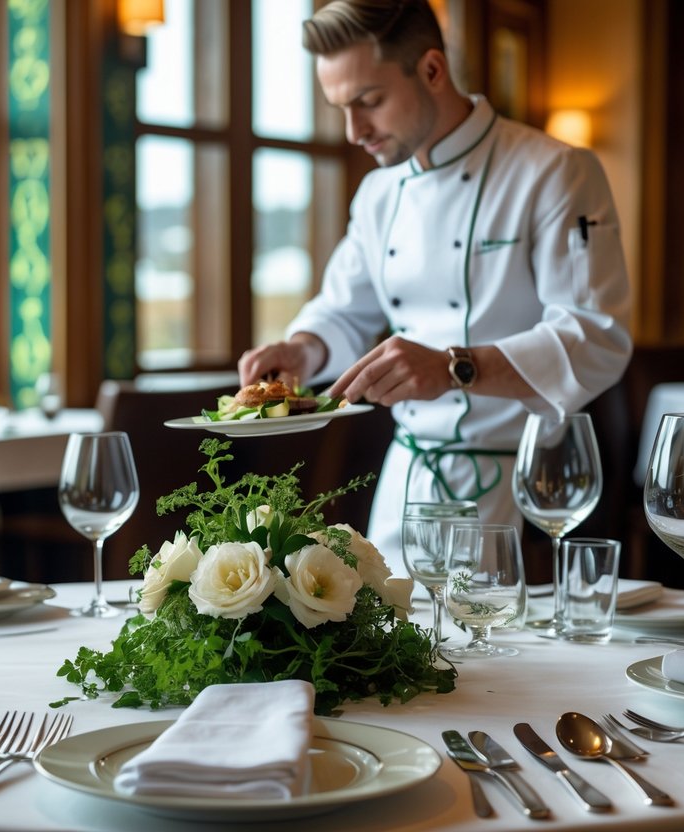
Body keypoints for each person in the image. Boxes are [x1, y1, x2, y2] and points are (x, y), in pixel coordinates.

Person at [238, 0, 632, 574]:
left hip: (527, 489)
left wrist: (454, 367)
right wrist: (301, 350)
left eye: (369, 101)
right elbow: (344, 311)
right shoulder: (378, 194)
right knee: (382, 646)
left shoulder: (554, 171)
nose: (354, 131)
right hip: (407, 480)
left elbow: (596, 337)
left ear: (430, 70)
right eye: (341, 109)